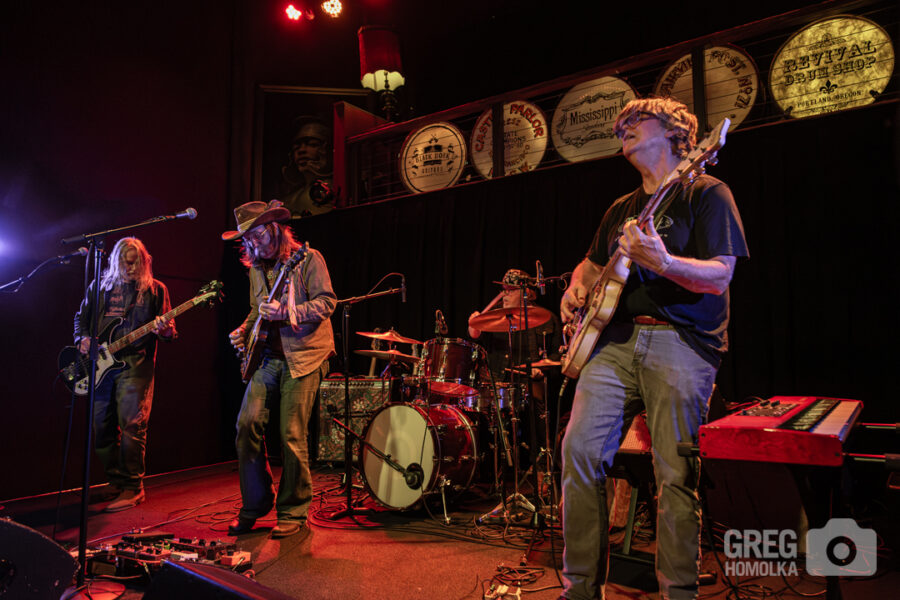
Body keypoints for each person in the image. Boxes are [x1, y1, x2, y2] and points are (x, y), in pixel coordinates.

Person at [558, 97, 748, 600]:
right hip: (614, 342)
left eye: (635, 121)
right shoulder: (620, 209)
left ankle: (677, 593)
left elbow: (721, 275)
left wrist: (663, 262)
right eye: (620, 124)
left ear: (675, 133)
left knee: (675, 472)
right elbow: (590, 267)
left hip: (680, 341)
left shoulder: (706, 192)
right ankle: (579, 590)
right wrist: (575, 289)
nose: (623, 128)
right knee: (578, 452)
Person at [224, 199, 336, 538]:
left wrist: (288, 313)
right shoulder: (256, 268)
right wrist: (243, 330)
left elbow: (327, 302)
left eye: (257, 235)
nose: (253, 244)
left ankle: (293, 510)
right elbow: (255, 310)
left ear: (275, 229)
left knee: (291, 433)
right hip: (268, 358)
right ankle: (256, 504)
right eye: (247, 239)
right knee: (246, 424)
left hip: (305, 357)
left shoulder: (308, 259)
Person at [73, 237, 176, 512]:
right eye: (125, 262)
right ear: (115, 261)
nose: (130, 268)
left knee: (132, 425)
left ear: (144, 262)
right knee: (101, 426)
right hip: (101, 365)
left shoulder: (155, 290)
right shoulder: (100, 286)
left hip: (135, 365)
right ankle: (116, 481)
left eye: (135, 262)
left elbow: (169, 333)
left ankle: (133, 486)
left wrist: (166, 330)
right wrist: (82, 338)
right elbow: (81, 318)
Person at [468, 268, 562, 388]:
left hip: (528, 385)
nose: (505, 294)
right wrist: (474, 329)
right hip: (494, 385)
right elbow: (476, 342)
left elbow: (556, 354)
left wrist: (541, 369)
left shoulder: (547, 318)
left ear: (526, 293)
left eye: (511, 290)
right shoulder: (492, 314)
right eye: (504, 289)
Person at [279, 116, 335, 218]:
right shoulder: (288, 200)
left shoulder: (334, 189)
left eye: (312, 145)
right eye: (297, 147)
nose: (301, 150)